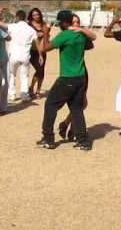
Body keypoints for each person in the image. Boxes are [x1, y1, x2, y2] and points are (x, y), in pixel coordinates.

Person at [37, 10, 93, 151]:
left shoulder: (64, 35)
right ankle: (83, 141)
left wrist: (46, 33)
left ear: (64, 22)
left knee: (50, 105)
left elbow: (45, 48)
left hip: (67, 77)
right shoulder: (80, 35)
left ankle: (48, 138)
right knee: (76, 109)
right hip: (81, 77)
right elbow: (91, 42)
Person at [58, 14, 96, 141]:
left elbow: (92, 41)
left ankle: (67, 125)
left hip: (82, 71)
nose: (76, 24)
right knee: (79, 104)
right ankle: (71, 128)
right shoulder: (68, 36)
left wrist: (81, 30)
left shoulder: (81, 35)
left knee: (81, 103)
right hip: (71, 73)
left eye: (78, 22)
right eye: (74, 22)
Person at [2, 10, 41, 103]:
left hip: (13, 55)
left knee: (11, 75)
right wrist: (40, 54)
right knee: (24, 75)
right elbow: (37, 42)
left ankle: (11, 94)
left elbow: (2, 25)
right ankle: (24, 95)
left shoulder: (13, 26)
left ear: (17, 17)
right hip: (25, 55)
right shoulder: (31, 29)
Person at [28, 8, 50, 98]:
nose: (36, 16)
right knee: (39, 70)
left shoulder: (44, 25)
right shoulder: (28, 25)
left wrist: (48, 30)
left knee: (42, 71)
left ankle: (38, 90)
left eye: (37, 14)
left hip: (42, 50)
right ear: (31, 16)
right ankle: (31, 87)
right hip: (32, 50)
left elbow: (46, 37)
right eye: (34, 15)